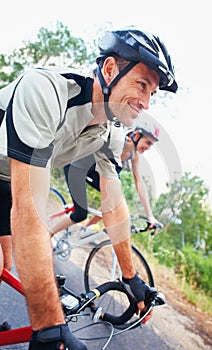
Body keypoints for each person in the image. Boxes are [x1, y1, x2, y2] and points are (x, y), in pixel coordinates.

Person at [0, 26, 177, 349]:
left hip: (7, 181)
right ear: (110, 69)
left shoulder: (112, 133)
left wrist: (131, 277)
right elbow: (29, 207)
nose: (147, 102)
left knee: (5, 263)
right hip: (10, 175)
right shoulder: (47, 91)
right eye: (142, 85)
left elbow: (114, 203)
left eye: (153, 93)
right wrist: (49, 327)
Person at [50, 122, 161, 237]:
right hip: (76, 168)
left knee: (114, 199)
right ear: (137, 136)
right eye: (148, 142)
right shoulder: (118, 141)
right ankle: (47, 236)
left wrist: (150, 216)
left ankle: (83, 231)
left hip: (93, 173)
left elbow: (139, 183)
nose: (148, 148)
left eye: (151, 145)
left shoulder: (134, 155)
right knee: (80, 214)